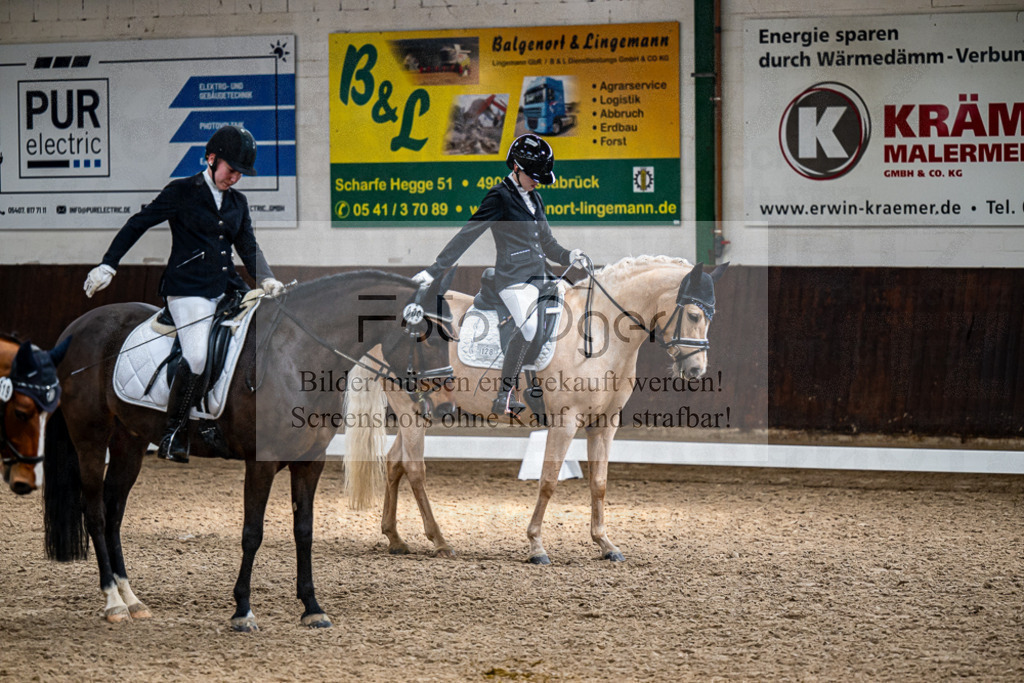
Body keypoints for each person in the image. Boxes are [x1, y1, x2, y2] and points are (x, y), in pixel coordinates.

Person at [83, 125, 285, 463]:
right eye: (231, 170)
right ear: (211, 159)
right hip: (188, 291)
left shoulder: (238, 202)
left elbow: (248, 245)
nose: (234, 178)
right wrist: (108, 264)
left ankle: (218, 419)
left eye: (240, 173)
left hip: (228, 289)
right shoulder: (182, 192)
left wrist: (266, 279)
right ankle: (173, 431)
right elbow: (138, 223)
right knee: (196, 356)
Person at [413, 133, 585, 415]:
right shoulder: (499, 197)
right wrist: (435, 271)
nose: (537, 181)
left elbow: (548, 244)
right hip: (512, 278)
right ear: (516, 168)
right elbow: (468, 234)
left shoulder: (535, 198)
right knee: (527, 326)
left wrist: (569, 256)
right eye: (533, 175)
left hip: (540, 276)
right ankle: (504, 394)